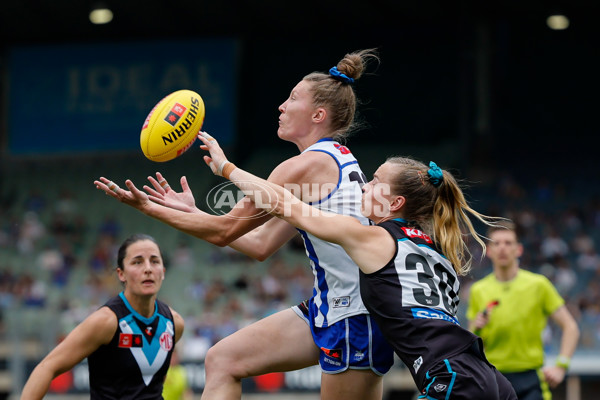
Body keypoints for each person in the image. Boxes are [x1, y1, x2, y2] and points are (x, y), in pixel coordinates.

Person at [94, 48, 394, 400]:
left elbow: (226, 231)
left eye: (292, 98)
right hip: (330, 308)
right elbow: (260, 244)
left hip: (355, 317)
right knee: (223, 359)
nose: (281, 106)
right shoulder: (330, 161)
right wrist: (191, 212)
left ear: (318, 114)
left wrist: (149, 208)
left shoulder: (304, 166)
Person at [193, 132, 518, 399]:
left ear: (395, 203)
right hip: (488, 379)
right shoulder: (435, 250)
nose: (365, 186)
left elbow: (286, 205)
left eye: (375, 182)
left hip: (451, 380)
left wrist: (226, 168)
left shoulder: (376, 239)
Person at [20, 234, 185, 400]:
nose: (148, 268)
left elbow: (153, 384)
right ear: (121, 274)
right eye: (137, 262)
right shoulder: (106, 321)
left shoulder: (174, 324)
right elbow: (47, 367)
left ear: (162, 272)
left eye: (155, 261)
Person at [467, 221, 580, 400]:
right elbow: (473, 340)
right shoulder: (478, 290)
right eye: (496, 243)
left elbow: (570, 327)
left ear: (518, 249)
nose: (502, 248)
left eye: (508, 243)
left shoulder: (539, 285)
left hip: (531, 378)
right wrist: (477, 327)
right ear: (489, 250)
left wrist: (561, 366)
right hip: (493, 377)